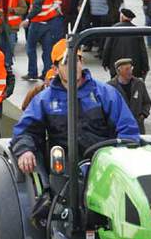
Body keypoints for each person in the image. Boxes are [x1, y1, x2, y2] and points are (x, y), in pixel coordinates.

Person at [11, 38, 140, 175]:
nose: (72, 66)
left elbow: (127, 128)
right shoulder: (44, 100)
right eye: (65, 62)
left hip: (104, 167)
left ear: (81, 62)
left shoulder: (104, 94)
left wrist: (121, 155)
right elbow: (25, 131)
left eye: (76, 60)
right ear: (55, 69)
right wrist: (25, 150)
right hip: (63, 171)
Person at [108, 58, 151, 135]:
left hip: (137, 127)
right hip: (118, 128)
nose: (130, 71)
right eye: (127, 69)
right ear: (119, 71)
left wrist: (143, 115)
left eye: (131, 68)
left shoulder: (139, 84)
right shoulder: (110, 86)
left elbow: (147, 102)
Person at [102, 8, 149, 78]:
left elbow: (107, 48)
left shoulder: (113, 29)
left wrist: (105, 63)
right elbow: (143, 51)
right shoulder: (137, 30)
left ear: (121, 17)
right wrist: (145, 67)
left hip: (117, 67)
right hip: (133, 69)